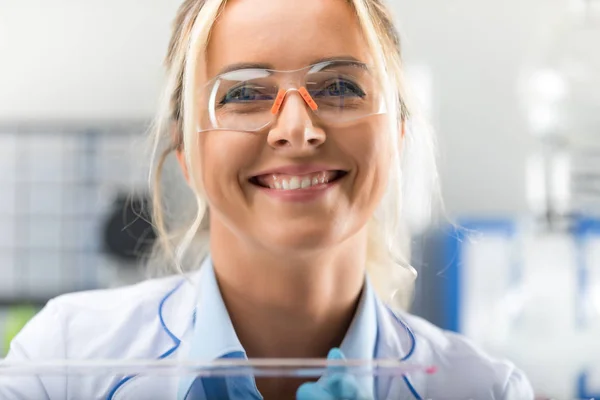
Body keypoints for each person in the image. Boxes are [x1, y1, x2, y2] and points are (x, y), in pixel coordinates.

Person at [0, 0, 535, 399]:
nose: (298, 129)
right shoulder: (64, 363)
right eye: (244, 94)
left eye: (341, 88)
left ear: (396, 134)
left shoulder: (482, 389)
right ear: (185, 151)